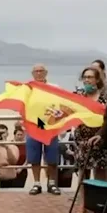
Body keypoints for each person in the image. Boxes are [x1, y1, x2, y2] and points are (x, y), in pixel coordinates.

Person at [73, 67, 107, 213]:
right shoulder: (78, 96)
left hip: (99, 139)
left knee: (100, 172)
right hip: (81, 139)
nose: (87, 80)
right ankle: (83, 203)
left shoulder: (104, 98)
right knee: (82, 173)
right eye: (85, 77)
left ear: (97, 80)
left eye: (90, 77)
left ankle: (101, 203)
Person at [26, 64, 60, 195]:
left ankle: (51, 183)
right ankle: (36, 183)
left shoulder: (54, 88)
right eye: (36, 71)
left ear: (46, 73)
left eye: (41, 71)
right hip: (34, 126)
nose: (39, 73)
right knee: (34, 156)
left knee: (52, 157)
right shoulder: (28, 89)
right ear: (32, 73)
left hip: (50, 126)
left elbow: (61, 104)